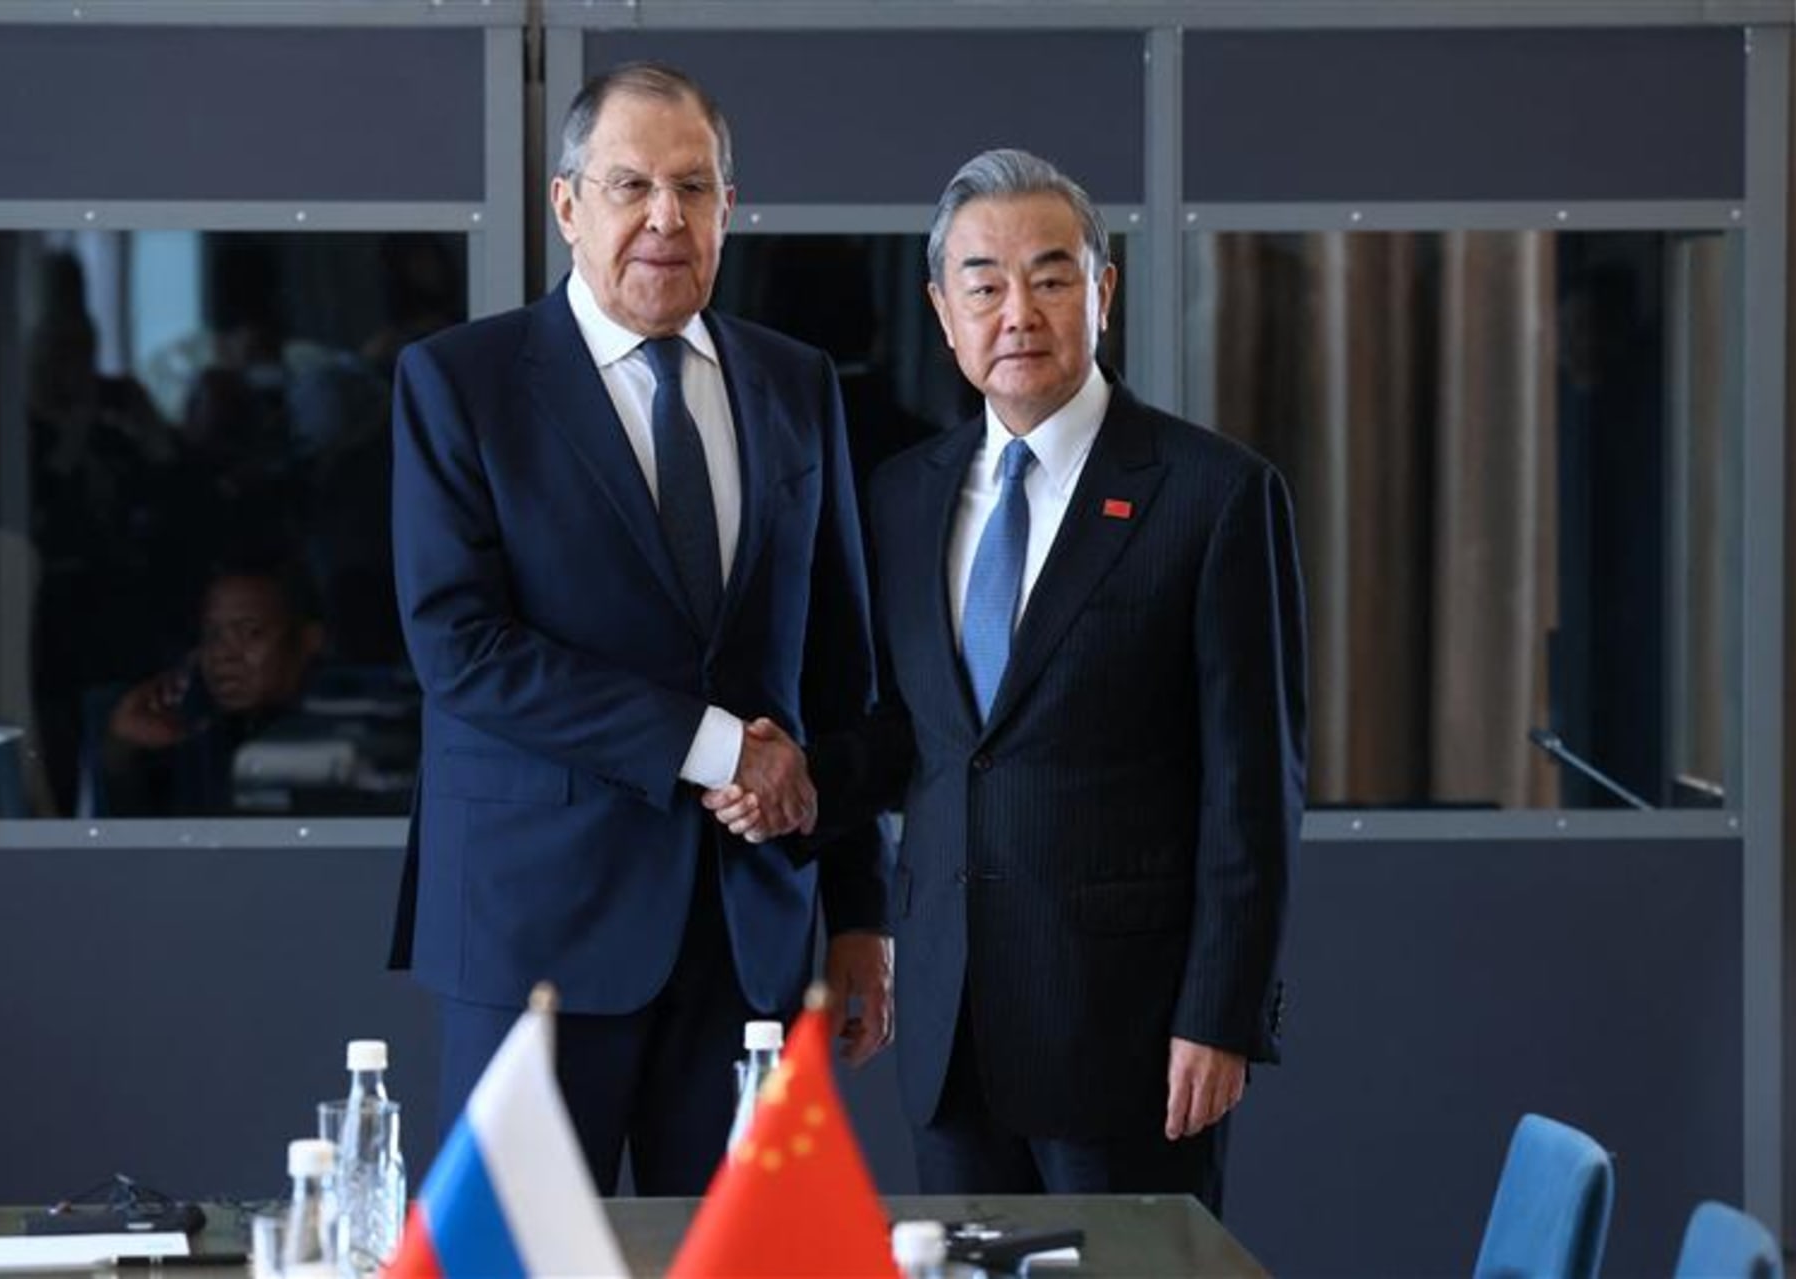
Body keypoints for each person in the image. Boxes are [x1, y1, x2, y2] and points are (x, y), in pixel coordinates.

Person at [711, 149, 1306, 1212]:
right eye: (983, 284)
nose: (1017, 312)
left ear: (1103, 292)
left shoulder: (1213, 496)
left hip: (1129, 1036)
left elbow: (1251, 786)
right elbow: (921, 733)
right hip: (951, 1028)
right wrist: (801, 782)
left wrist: (1221, 1014)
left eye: (1051, 276)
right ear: (943, 311)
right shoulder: (904, 494)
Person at [388, 61, 891, 1196]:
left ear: (729, 206)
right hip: (536, 939)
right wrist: (717, 747)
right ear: (567, 205)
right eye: (630, 186)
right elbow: (458, 644)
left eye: (694, 188)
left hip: (749, 934)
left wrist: (861, 909)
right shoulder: (460, 383)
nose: (665, 217)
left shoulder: (797, 383)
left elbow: (839, 667)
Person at [101, 566, 326, 815]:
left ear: (309, 640)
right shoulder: (203, 740)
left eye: (251, 633)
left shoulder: (345, 736)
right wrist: (121, 754)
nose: (223, 654)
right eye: (212, 635)